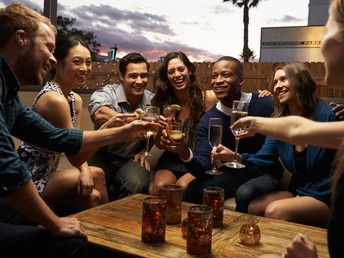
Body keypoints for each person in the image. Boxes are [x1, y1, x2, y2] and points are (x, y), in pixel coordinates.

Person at [232, 0, 344, 258]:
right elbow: (297, 129)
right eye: (275, 82)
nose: (319, 44)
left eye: (327, 30)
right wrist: (254, 125)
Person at [0, 2, 157, 258]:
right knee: (70, 243)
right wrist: (54, 223)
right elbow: (8, 169)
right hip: (20, 183)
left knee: (82, 218)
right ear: (21, 39)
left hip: (15, 187)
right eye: (49, 48)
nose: (51, 58)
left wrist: (122, 131)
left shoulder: (9, 92)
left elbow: (56, 137)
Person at [216, 62, 337, 227]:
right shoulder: (279, 123)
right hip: (298, 190)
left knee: (274, 211)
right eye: (275, 82)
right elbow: (262, 159)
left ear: (300, 81)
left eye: (283, 80)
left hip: (325, 196)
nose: (278, 86)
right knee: (254, 207)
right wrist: (235, 156)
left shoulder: (328, 116)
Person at [17, 35, 108, 213]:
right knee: (98, 174)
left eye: (88, 63)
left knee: (93, 198)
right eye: (77, 62)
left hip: (48, 174)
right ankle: (112, 228)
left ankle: (101, 235)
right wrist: (107, 132)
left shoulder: (75, 99)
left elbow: (77, 144)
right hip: (27, 178)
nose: (85, 69)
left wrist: (84, 170)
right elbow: (74, 154)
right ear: (57, 63)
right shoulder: (54, 99)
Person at [182, 56, 281, 204]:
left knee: (245, 192)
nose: (218, 81)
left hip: (266, 170)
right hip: (237, 171)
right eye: (214, 76)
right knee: (193, 189)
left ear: (241, 80)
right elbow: (203, 166)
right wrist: (183, 151)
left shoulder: (265, 103)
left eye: (226, 75)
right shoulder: (209, 119)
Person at [150, 51, 218, 195]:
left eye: (181, 69)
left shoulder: (208, 98)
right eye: (171, 71)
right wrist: (160, 138)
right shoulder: (163, 103)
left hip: (199, 160)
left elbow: (235, 98)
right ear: (166, 77)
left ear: (190, 71)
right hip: (171, 159)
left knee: (182, 187)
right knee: (160, 186)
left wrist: (262, 94)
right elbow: (158, 142)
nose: (177, 75)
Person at [88, 52, 154, 199]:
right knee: (87, 187)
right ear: (122, 76)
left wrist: (144, 149)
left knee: (137, 183)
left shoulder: (152, 101)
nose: (139, 81)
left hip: (129, 159)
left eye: (143, 75)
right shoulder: (106, 93)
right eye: (133, 76)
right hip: (101, 155)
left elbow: (155, 129)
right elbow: (100, 114)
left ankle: (126, 221)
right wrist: (135, 120)